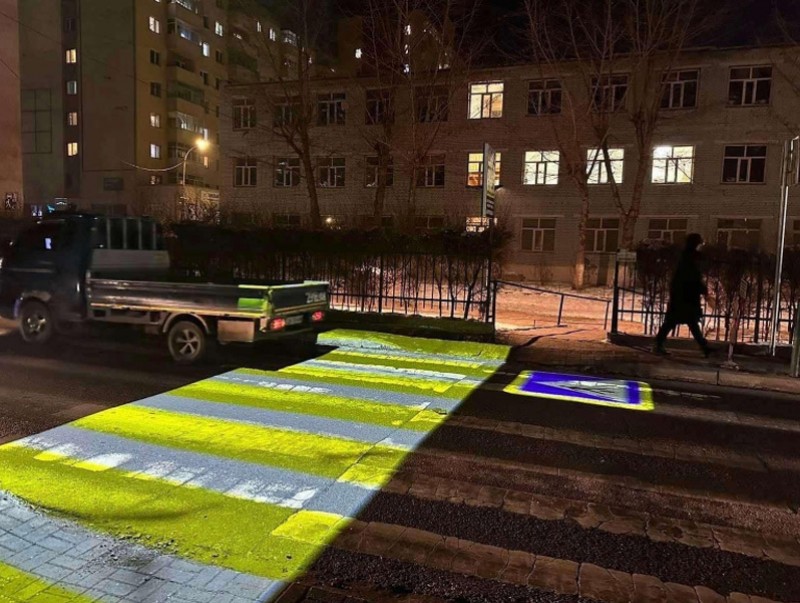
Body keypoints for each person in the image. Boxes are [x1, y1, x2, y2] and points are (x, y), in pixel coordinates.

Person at [653, 233, 712, 357]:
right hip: (685, 297)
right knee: (681, 321)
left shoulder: (687, 256)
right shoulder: (689, 258)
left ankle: (704, 347)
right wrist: (702, 289)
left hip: (682, 296)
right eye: (700, 243)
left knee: (681, 322)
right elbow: (692, 277)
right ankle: (704, 347)